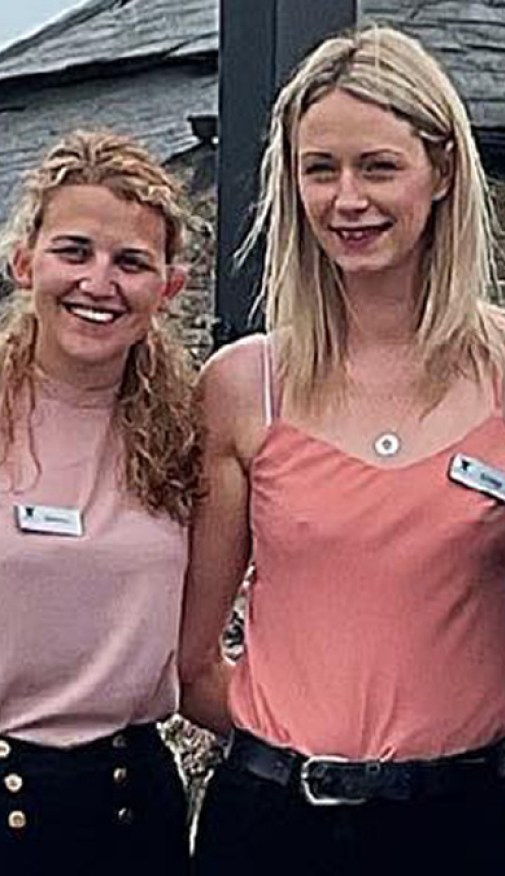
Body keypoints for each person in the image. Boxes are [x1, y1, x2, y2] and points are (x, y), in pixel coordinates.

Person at [180, 26, 505, 875]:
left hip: (466, 830)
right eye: (321, 169)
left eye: (378, 167)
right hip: (272, 828)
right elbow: (193, 658)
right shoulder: (245, 386)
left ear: (443, 170)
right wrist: (303, 742)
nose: (348, 199)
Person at [0, 131, 200, 874]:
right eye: (74, 252)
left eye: (131, 262)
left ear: (168, 287)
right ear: (25, 261)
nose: (99, 282)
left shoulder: (190, 430)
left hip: (131, 808)